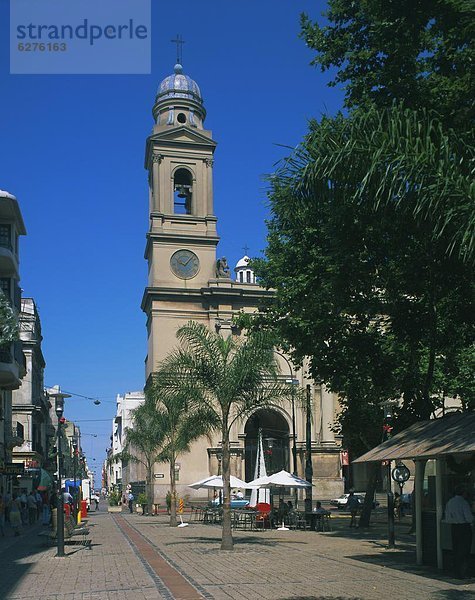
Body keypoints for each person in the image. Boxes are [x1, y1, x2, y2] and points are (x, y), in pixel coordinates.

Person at [444, 485, 473, 578]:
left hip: (454, 528)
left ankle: (456, 571)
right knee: (465, 550)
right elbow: (469, 518)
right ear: (464, 493)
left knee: (456, 549)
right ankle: (464, 572)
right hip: (464, 527)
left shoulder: (450, 502)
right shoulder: (463, 503)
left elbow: (447, 518)